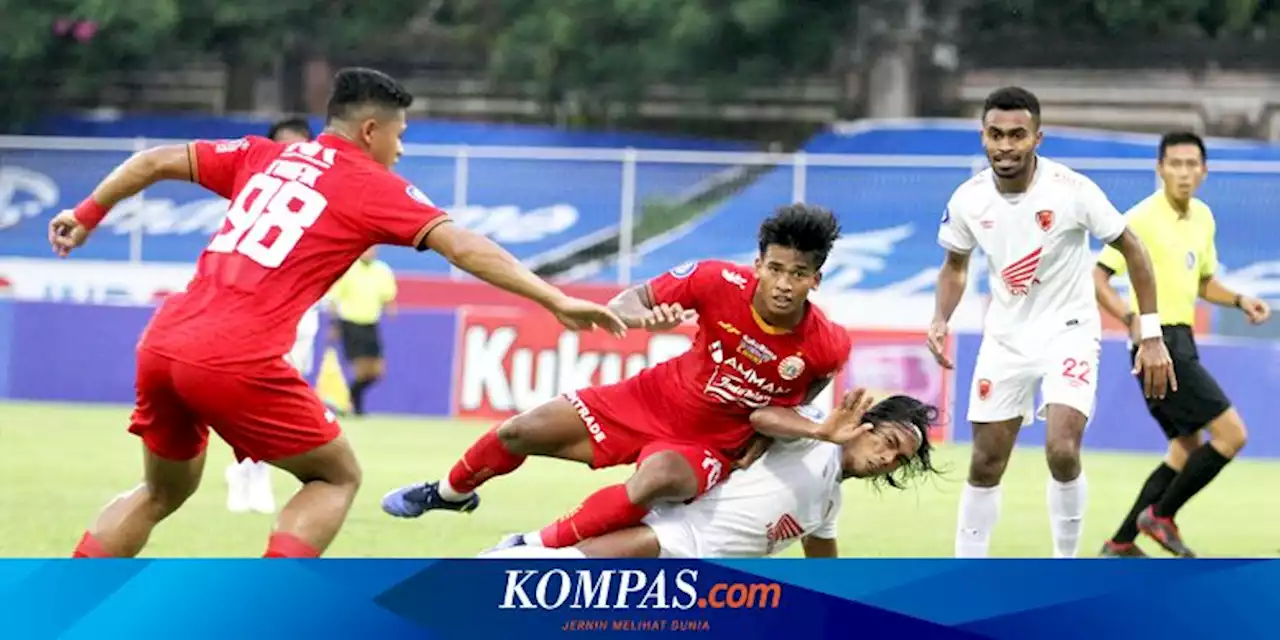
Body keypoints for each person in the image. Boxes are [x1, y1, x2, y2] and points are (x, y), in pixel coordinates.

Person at [51, 67, 625, 559]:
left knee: (158, 493)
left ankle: (56, 604)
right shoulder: (372, 185)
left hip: (163, 341)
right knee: (335, 475)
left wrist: (86, 213)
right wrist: (552, 296)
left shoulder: (264, 155)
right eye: (400, 135)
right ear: (371, 130)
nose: (401, 150)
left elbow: (153, 161)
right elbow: (464, 246)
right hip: (234, 354)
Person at [384, 204, 862, 553]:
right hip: (646, 399)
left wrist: (784, 433)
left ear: (815, 280)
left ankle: (529, 549)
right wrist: (641, 320)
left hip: (708, 446)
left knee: (656, 478)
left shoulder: (827, 343)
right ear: (757, 264)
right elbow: (627, 303)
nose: (783, 283)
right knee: (519, 431)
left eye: (798, 274)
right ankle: (450, 493)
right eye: (775, 268)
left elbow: (798, 397)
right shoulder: (714, 280)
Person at [926, 86, 1175, 559]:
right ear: (983, 136)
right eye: (995, 135)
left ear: (1038, 138)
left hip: (1070, 332)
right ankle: (965, 574)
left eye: (1017, 135)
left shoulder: (1072, 191)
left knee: (1062, 448)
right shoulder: (968, 199)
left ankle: (1065, 565)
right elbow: (955, 265)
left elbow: (1134, 249)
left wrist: (1150, 333)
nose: (1005, 146)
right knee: (985, 462)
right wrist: (941, 318)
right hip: (1005, 339)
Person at [480, 394, 937, 559]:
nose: (887, 459)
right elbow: (763, 416)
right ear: (867, 423)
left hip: (700, 590)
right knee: (561, 577)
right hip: (666, 536)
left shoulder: (829, 505)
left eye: (899, 460)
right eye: (889, 442)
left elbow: (825, 567)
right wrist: (819, 428)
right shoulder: (813, 433)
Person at [1095, 131, 1271, 558]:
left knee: (1185, 449)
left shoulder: (1203, 218)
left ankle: (1119, 543)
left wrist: (1239, 299)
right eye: (1175, 163)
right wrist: (1131, 320)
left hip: (1182, 341)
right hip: (1157, 344)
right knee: (1232, 435)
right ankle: (1160, 516)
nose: (1184, 172)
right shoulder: (1137, 218)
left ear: (1205, 171)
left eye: (1192, 164)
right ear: (1159, 168)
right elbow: (1098, 276)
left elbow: (1204, 281)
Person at [224, 116, 321, 516]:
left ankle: (254, 468)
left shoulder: (325, 194)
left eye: (299, 145)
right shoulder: (255, 192)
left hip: (303, 307)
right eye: (283, 146)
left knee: (285, 391)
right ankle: (248, 470)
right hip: (253, 307)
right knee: (249, 391)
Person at [327, 245, 397, 416]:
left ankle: (350, 397)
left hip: (370, 324)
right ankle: (354, 407)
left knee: (377, 371)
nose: (370, 253)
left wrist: (390, 307)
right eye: (367, 249)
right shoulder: (349, 269)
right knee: (359, 368)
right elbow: (335, 298)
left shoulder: (382, 270)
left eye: (373, 250)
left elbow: (388, 295)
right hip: (350, 323)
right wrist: (334, 325)